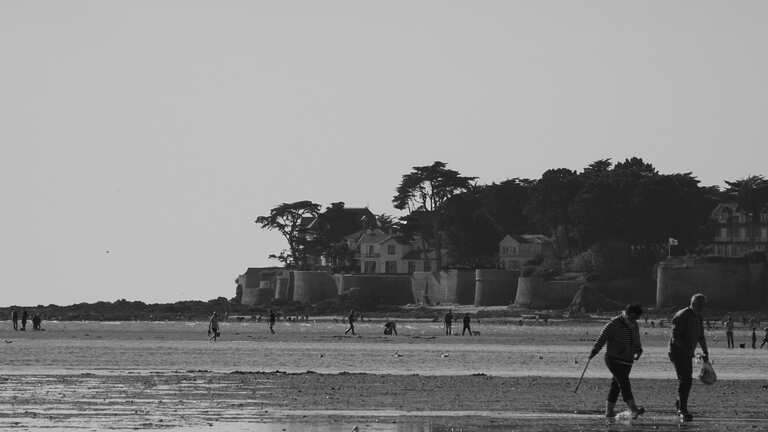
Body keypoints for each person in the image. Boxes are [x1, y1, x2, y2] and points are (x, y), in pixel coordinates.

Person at [589, 303, 645, 419]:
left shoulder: (635, 325)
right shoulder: (614, 323)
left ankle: (609, 412)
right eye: (634, 317)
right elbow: (602, 338)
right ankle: (633, 409)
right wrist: (595, 351)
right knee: (624, 382)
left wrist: (639, 350)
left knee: (616, 385)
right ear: (628, 313)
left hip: (628, 360)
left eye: (637, 318)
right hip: (613, 359)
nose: (635, 319)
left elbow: (636, 339)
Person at [669, 293, 710, 422]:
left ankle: (680, 404)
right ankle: (682, 409)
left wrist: (706, 352)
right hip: (677, 352)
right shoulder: (681, 316)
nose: (701, 308)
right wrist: (687, 350)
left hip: (688, 353)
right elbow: (675, 338)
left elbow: (701, 336)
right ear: (692, 303)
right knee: (686, 379)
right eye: (699, 305)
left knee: (685, 379)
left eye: (702, 306)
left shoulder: (699, 317)